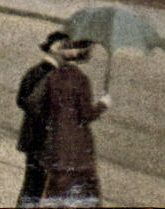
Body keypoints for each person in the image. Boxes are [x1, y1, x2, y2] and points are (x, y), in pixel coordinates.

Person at [37, 39, 110, 206]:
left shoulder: (52, 77)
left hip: (57, 147)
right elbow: (85, 115)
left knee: (55, 194)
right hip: (77, 150)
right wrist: (103, 104)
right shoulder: (81, 79)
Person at [16, 31, 73, 208]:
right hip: (44, 141)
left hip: (32, 139)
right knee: (36, 187)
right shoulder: (54, 76)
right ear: (56, 49)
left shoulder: (34, 71)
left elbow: (21, 100)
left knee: (32, 185)